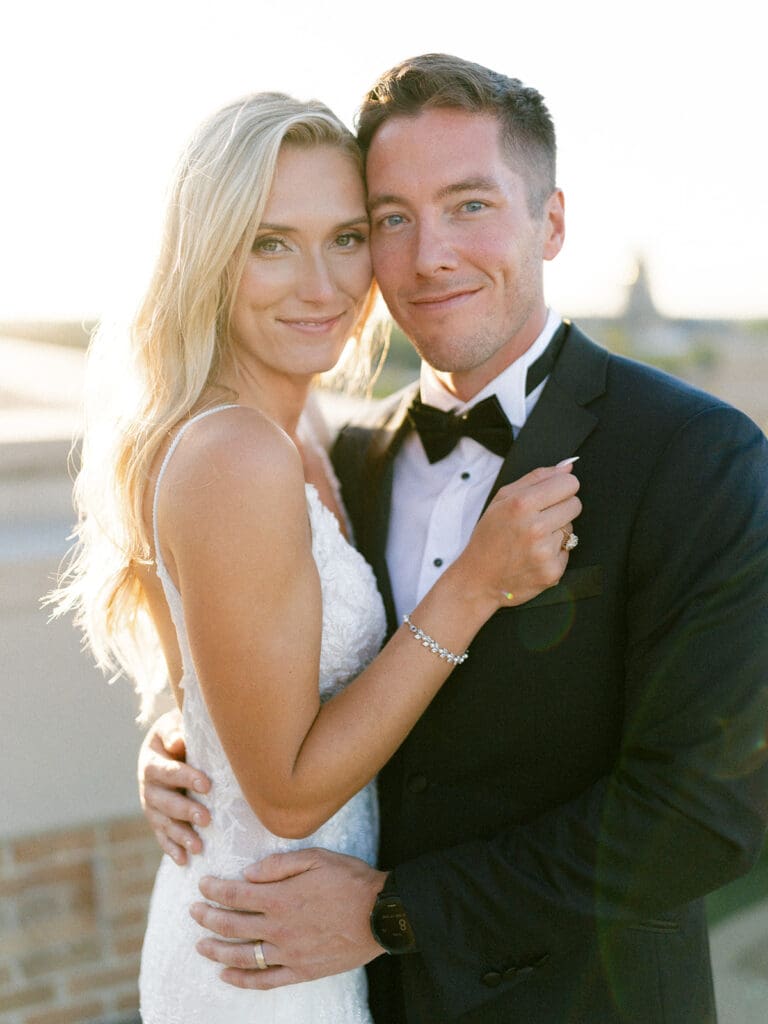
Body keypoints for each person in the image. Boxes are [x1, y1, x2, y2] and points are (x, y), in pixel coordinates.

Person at [139, 56, 768, 1024]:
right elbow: (283, 681)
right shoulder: (341, 460)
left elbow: (704, 814)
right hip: (337, 993)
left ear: (550, 222)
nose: (428, 254)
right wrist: (184, 743)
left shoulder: (698, 454)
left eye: (469, 205)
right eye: (390, 217)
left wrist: (399, 914)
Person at [53, 88, 580, 1024]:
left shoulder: (309, 440)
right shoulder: (237, 452)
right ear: (209, 257)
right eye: (271, 242)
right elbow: (289, 794)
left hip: (298, 939)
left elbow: (242, 684)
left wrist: (183, 737)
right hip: (256, 959)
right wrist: (471, 588)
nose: (323, 284)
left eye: (346, 237)